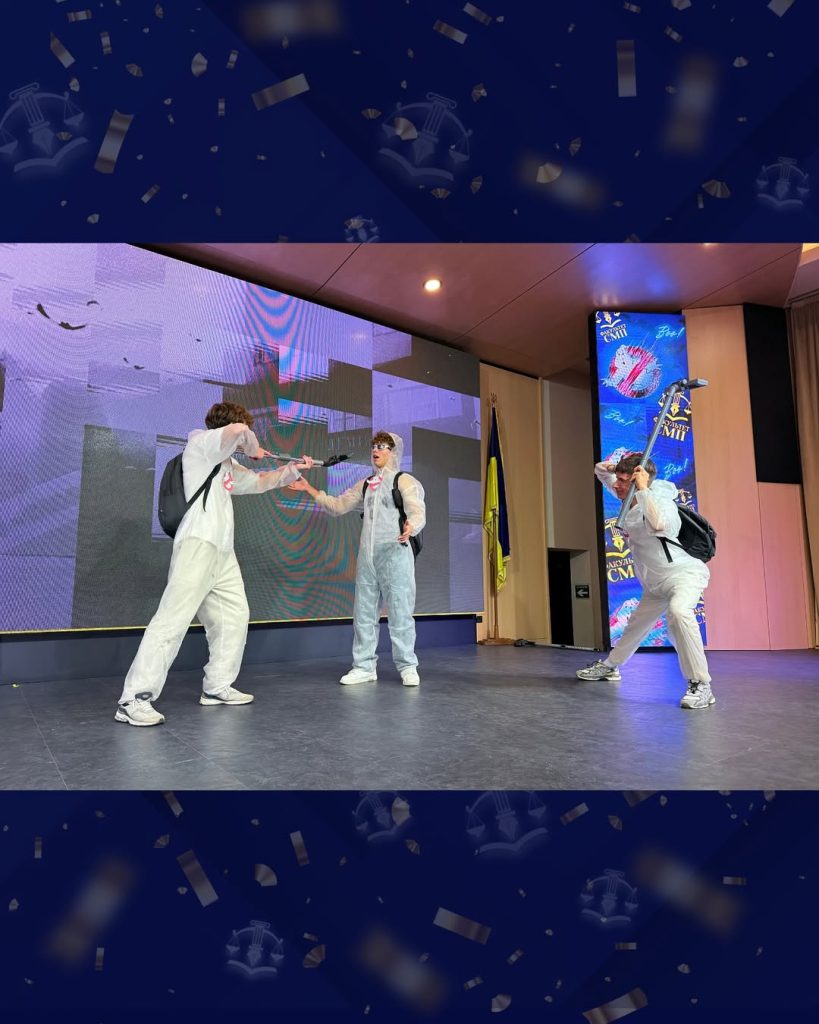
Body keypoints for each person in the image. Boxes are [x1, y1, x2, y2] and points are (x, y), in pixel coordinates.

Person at [115, 401, 314, 726]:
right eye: (244, 431)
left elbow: (258, 482)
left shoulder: (225, 464)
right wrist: (253, 448)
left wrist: (291, 470)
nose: (244, 437)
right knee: (171, 621)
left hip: (222, 552)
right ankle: (132, 699)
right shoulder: (202, 444)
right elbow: (239, 431)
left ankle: (217, 686)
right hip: (197, 545)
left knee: (234, 616)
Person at [576, 452, 715, 710]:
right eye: (618, 480)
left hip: (682, 574)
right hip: (654, 583)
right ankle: (611, 667)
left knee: (679, 614)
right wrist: (617, 469)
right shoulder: (627, 494)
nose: (617, 485)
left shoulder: (661, 500)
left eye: (623, 481)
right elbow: (599, 470)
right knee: (635, 626)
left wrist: (642, 490)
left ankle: (701, 684)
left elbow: (659, 525)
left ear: (641, 481)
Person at [287, 431, 425, 686]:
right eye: (374, 446)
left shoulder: (404, 481)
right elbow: (338, 506)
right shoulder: (366, 484)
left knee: (400, 613)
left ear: (393, 451)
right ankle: (363, 667)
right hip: (368, 559)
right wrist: (308, 488)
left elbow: (417, 510)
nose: (376, 450)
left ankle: (408, 666)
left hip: (396, 554)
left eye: (382, 446)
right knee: (363, 614)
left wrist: (411, 526)